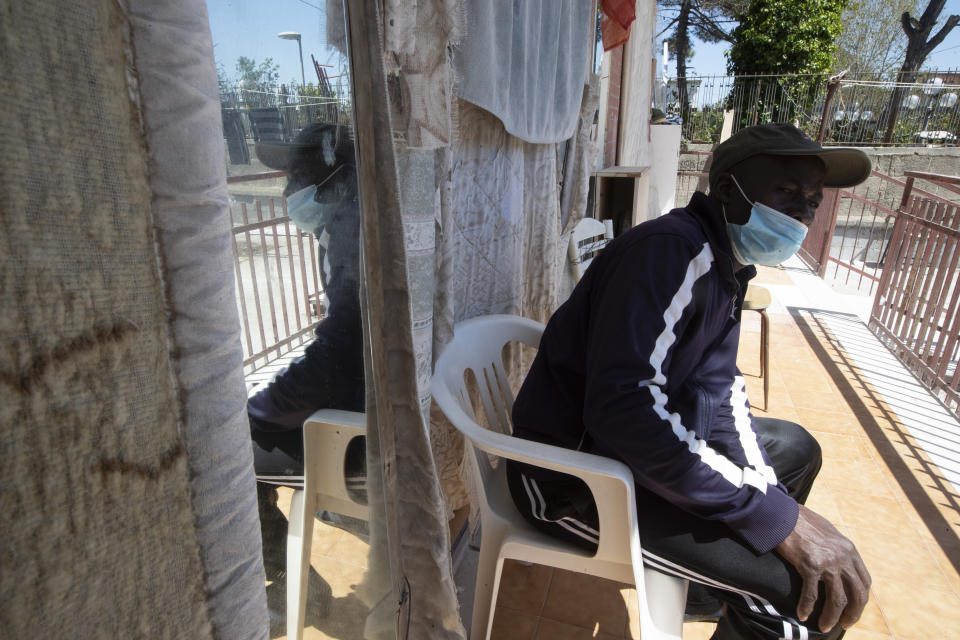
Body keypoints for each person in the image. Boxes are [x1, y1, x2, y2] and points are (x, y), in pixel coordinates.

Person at [506, 124, 873, 640]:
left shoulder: (725, 265)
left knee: (794, 449)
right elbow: (624, 412)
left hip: (630, 459)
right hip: (575, 480)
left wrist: (774, 508)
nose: (802, 214)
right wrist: (769, 516)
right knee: (807, 598)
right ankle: (742, 588)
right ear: (726, 191)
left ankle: (711, 586)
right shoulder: (669, 254)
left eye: (811, 201)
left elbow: (721, 394)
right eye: (786, 193)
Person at [247, 123, 366, 589]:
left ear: (331, 181)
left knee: (235, 453)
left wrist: (259, 409)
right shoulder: (358, 221)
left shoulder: (350, 233)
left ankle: (295, 585)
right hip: (370, 420)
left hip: (357, 446)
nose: (286, 191)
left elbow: (334, 357)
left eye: (295, 177)